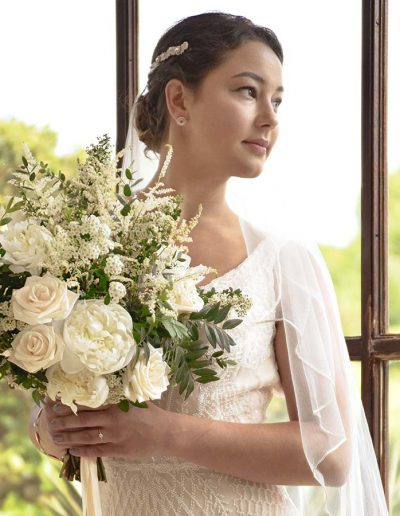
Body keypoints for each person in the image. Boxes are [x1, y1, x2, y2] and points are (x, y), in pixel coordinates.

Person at [29, 11, 389, 516]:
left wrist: (168, 434)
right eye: (248, 91)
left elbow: (331, 455)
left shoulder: (284, 261)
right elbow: (50, 423)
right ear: (179, 100)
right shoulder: (85, 247)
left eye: (278, 100)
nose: (270, 117)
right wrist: (52, 429)